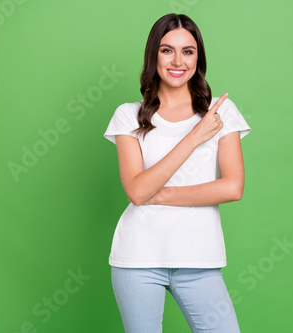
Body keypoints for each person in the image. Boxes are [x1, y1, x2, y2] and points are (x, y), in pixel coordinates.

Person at [103, 13, 250, 332]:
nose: (177, 60)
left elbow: (232, 187)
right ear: (153, 54)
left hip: (199, 259)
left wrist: (164, 193)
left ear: (199, 57)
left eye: (188, 51)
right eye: (167, 50)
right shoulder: (128, 116)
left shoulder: (220, 112)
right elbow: (138, 192)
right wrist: (195, 137)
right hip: (138, 258)